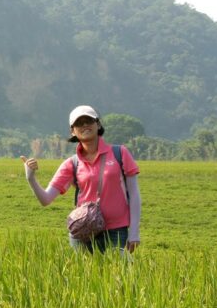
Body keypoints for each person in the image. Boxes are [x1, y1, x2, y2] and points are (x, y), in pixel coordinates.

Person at [20, 105, 142, 254]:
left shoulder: (119, 153)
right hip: (84, 231)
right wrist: (30, 178)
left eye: (89, 121)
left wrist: (134, 231)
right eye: (79, 123)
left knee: (118, 274)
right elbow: (45, 199)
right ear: (73, 131)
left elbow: (134, 194)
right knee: (85, 276)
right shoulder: (72, 163)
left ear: (98, 124)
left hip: (116, 230)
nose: (84, 125)